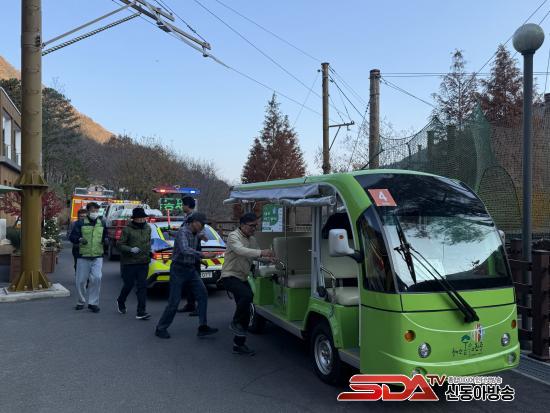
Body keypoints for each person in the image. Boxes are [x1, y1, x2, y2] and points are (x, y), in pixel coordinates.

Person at [155, 212, 219, 339]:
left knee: (203, 294)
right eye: (201, 224)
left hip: (190, 269)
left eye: (204, 225)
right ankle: (160, 328)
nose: (203, 227)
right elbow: (184, 250)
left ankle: (202, 327)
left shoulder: (196, 234)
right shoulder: (182, 232)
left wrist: (200, 260)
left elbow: (192, 250)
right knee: (174, 301)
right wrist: (203, 255)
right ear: (193, 222)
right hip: (178, 270)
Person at [221, 213, 275, 356]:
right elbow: (241, 250)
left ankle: (238, 344)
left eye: (256, 226)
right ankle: (235, 322)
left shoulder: (252, 239)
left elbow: (256, 255)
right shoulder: (233, 236)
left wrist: (269, 259)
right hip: (230, 276)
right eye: (252, 226)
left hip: (243, 277)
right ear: (243, 225)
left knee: (246, 310)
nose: (254, 228)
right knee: (247, 295)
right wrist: (262, 252)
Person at [69, 202, 108, 313]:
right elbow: (72, 237)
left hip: (97, 256)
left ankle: (93, 303)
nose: (95, 212)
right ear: (88, 211)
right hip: (83, 256)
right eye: (92, 210)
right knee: (81, 281)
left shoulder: (102, 223)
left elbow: (105, 236)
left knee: (97, 278)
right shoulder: (80, 223)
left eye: (96, 211)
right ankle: (81, 301)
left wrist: (106, 240)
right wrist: (79, 239)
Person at [116, 207, 152, 320]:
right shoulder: (127, 229)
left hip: (143, 262)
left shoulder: (148, 228)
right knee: (129, 285)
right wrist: (130, 249)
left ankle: (141, 312)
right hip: (129, 262)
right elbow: (119, 245)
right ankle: (121, 301)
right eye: (139, 218)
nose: (141, 220)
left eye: (143, 218)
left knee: (142, 286)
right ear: (134, 219)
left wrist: (149, 252)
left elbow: (148, 242)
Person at [177, 196, 206, 316]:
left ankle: (199, 307)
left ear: (187, 205)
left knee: (196, 281)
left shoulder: (196, 218)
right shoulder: (187, 217)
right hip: (188, 253)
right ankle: (190, 304)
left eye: (182, 204)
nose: (181, 207)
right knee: (189, 281)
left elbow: (201, 233)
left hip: (193, 252)